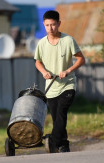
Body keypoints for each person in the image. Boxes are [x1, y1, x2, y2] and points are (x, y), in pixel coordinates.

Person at [34, 10, 85, 153]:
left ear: (59, 24)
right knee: (57, 119)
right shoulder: (41, 43)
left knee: (62, 112)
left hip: (68, 84)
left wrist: (68, 70)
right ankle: (64, 145)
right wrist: (44, 72)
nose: (50, 28)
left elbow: (81, 59)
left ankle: (52, 140)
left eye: (53, 25)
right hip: (51, 87)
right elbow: (37, 62)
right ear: (44, 25)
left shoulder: (68, 40)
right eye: (47, 25)